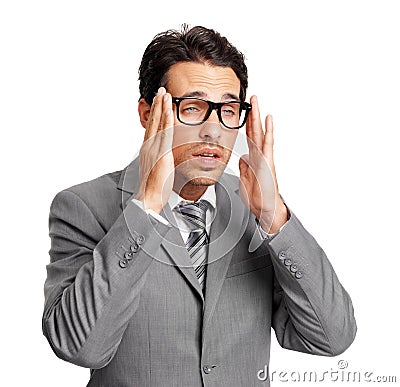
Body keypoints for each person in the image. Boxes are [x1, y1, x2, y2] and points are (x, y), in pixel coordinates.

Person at [42, 25, 356, 386]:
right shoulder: (83, 206)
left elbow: (331, 338)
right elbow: (80, 346)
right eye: (191, 108)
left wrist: (275, 219)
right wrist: (146, 208)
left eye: (227, 109)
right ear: (147, 114)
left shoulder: (252, 208)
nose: (213, 130)